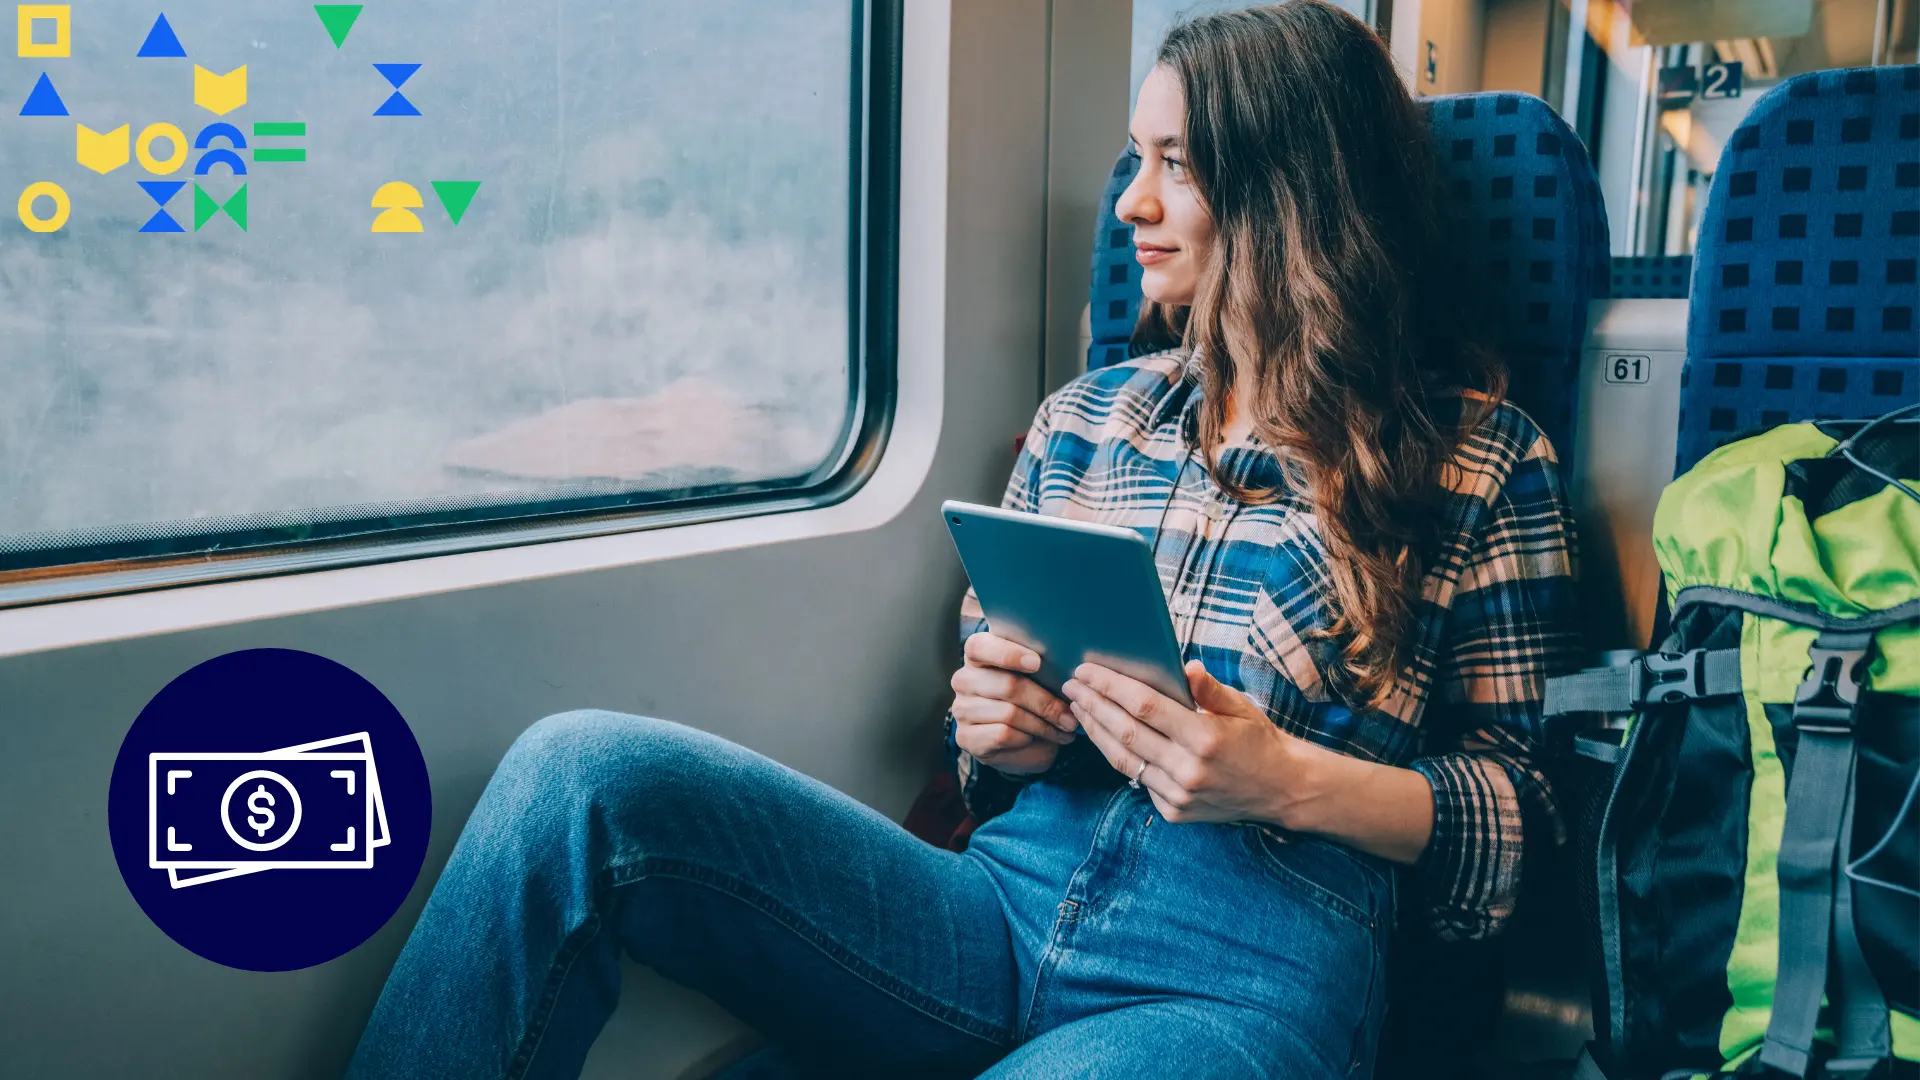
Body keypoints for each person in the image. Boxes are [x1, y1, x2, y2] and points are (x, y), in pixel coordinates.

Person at [345, 3, 1578, 1077]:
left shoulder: (1480, 459)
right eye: (1131, 160)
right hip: (993, 901)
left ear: (1290, 192)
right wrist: (994, 729)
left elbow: (1519, 820)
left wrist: (1281, 779)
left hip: (1242, 968)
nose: (1132, 204)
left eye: (1177, 166)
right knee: (580, 776)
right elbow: (984, 733)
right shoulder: (1088, 419)